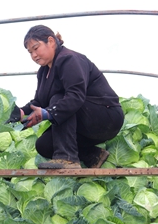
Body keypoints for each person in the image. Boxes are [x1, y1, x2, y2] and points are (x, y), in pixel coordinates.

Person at [8, 25, 124, 169]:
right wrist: (21, 112)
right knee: (44, 145)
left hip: (105, 116)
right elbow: (39, 101)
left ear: (50, 41)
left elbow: (75, 96)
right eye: (30, 52)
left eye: (36, 48)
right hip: (84, 125)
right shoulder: (43, 72)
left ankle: (68, 159)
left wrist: (47, 113)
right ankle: (93, 156)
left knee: (59, 99)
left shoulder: (69, 59)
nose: (34, 56)